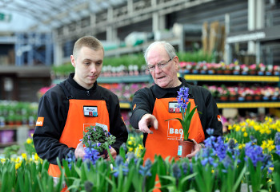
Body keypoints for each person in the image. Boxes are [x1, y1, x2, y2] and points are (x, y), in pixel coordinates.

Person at [33, 36, 128, 177]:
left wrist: (115, 149)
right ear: (73, 60)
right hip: (64, 181)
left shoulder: (110, 99)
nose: (94, 70)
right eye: (87, 63)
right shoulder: (54, 97)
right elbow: (42, 142)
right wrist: (72, 154)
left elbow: (120, 136)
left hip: (101, 179)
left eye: (98, 63)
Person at [129, 41, 223, 161]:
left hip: (194, 173)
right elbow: (138, 110)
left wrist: (203, 148)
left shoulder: (202, 96)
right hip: (155, 175)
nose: (157, 71)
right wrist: (143, 117)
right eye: (152, 67)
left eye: (161, 64)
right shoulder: (146, 95)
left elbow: (217, 137)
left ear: (175, 62)